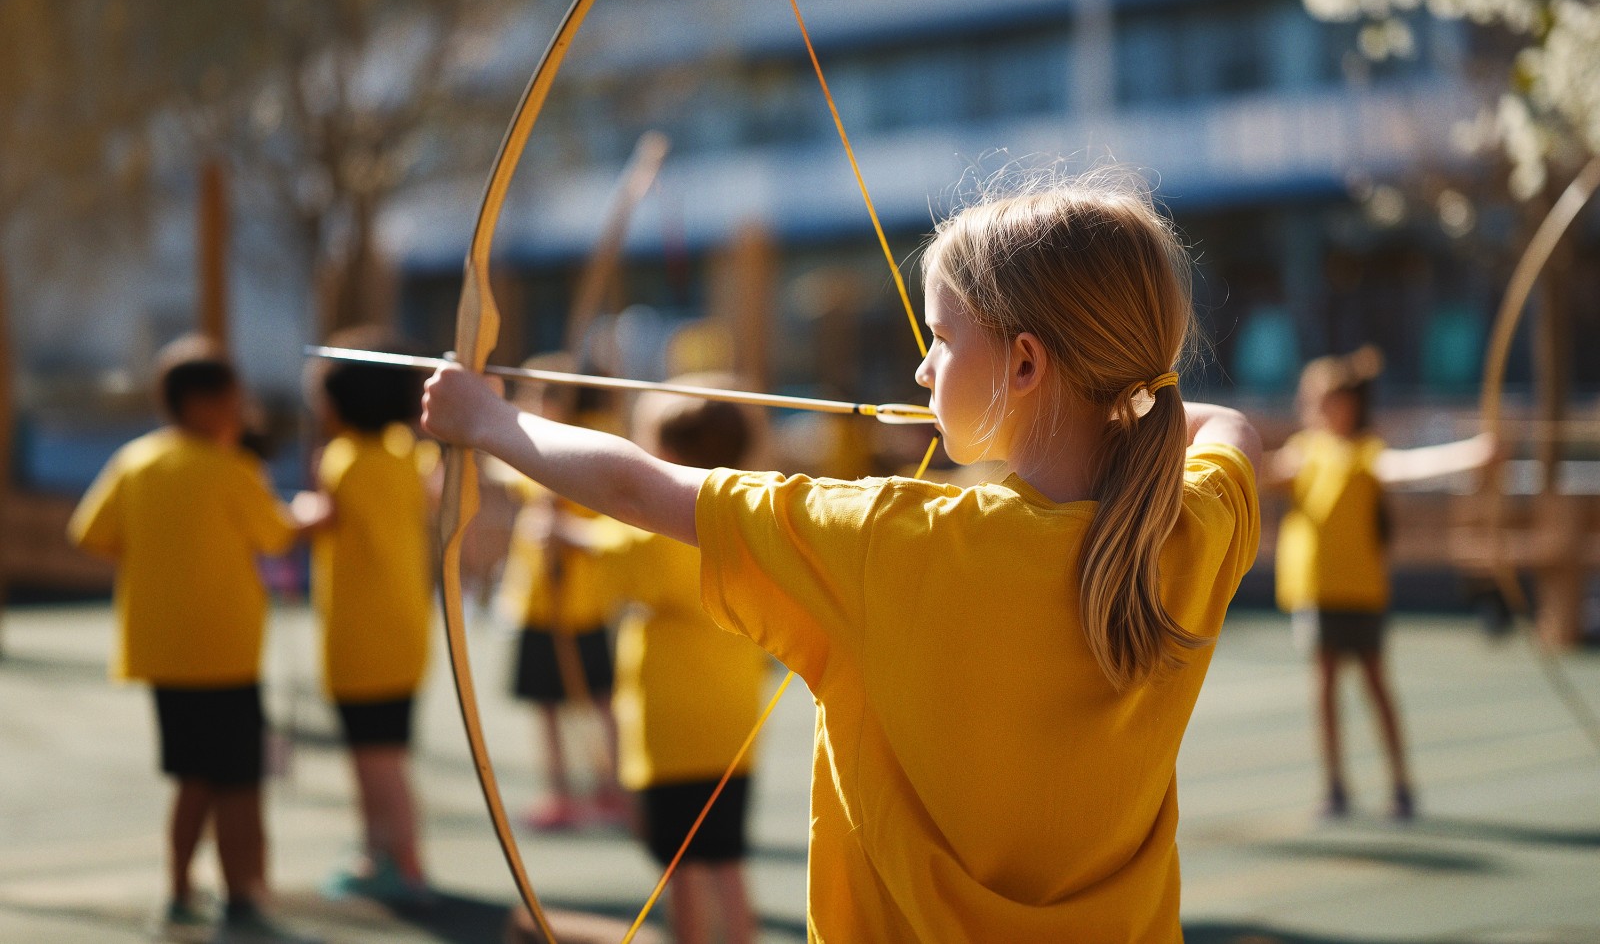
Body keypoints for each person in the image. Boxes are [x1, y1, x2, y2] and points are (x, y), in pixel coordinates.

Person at [421, 173, 1263, 940]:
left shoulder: (892, 539)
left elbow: (641, 490)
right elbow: (1229, 431)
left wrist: (488, 423)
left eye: (940, 336)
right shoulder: (1190, 530)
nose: (922, 365)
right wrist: (1131, 404)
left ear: (1026, 362)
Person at [68, 334, 322, 944]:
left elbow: (90, 534)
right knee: (238, 781)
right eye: (236, 401)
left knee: (191, 778)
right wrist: (311, 516)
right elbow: (276, 536)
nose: (244, 412)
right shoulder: (234, 469)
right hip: (226, 652)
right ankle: (244, 894)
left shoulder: (137, 461)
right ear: (207, 404)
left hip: (160, 651)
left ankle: (180, 889)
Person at [1266, 346, 1494, 821]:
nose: (1314, 410)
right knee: (1325, 685)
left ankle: (1401, 784)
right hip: (1317, 591)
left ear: (1347, 404)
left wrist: (1473, 455)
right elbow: (1259, 472)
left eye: (1324, 400)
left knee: (1375, 685)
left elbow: (1409, 468)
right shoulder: (1304, 453)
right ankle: (1335, 786)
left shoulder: (1365, 452)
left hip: (1361, 591)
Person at [588, 387, 771, 944]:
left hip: (673, 727)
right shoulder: (749, 516)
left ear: (670, 454)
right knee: (725, 858)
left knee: (682, 867)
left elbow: (610, 565)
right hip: (733, 721)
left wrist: (560, 534)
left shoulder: (663, 528)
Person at [305, 331, 435, 902]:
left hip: (361, 638)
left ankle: (400, 861)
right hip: (405, 631)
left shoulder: (345, 462)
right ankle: (382, 852)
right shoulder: (410, 456)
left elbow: (321, 517)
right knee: (387, 755)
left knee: (374, 759)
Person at [496, 359, 625, 830]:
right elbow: (511, 471)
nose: (527, 407)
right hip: (540, 599)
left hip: (578, 600)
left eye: (536, 397)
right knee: (551, 702)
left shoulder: (590, 441)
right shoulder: (548, 442)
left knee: (599, 697)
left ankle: (611, 786)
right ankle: (563, 791)